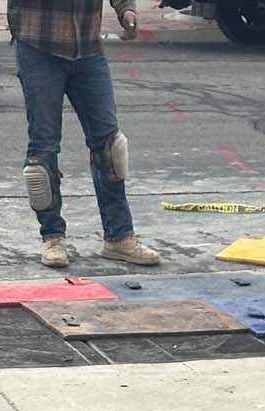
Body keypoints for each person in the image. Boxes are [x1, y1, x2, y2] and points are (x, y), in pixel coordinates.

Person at [9, 0, 159, 269]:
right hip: (38, 45)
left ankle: (119, 237)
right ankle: (53, 237)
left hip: (88, 47)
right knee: (43, 152)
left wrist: (126, 10)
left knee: (110, 146)